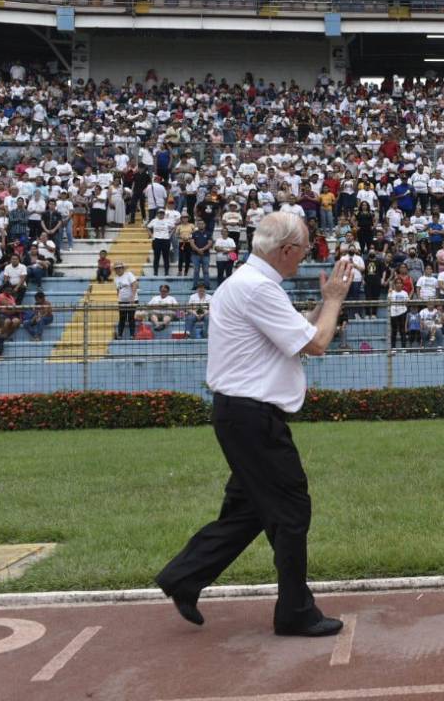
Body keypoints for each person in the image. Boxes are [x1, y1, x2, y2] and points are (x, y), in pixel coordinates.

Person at [155, 212, 352, 637]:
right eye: (302, 251)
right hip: (253, 416)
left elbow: (299, 332)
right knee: (292, 510)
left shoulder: (247, 283)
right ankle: (295, 612)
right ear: (285, 251)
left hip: (241, 415)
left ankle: (184, 576)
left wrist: (322, 305)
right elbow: (316, 343)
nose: (304, 258)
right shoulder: (259, 289)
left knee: (247, 511)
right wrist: (334, 299)